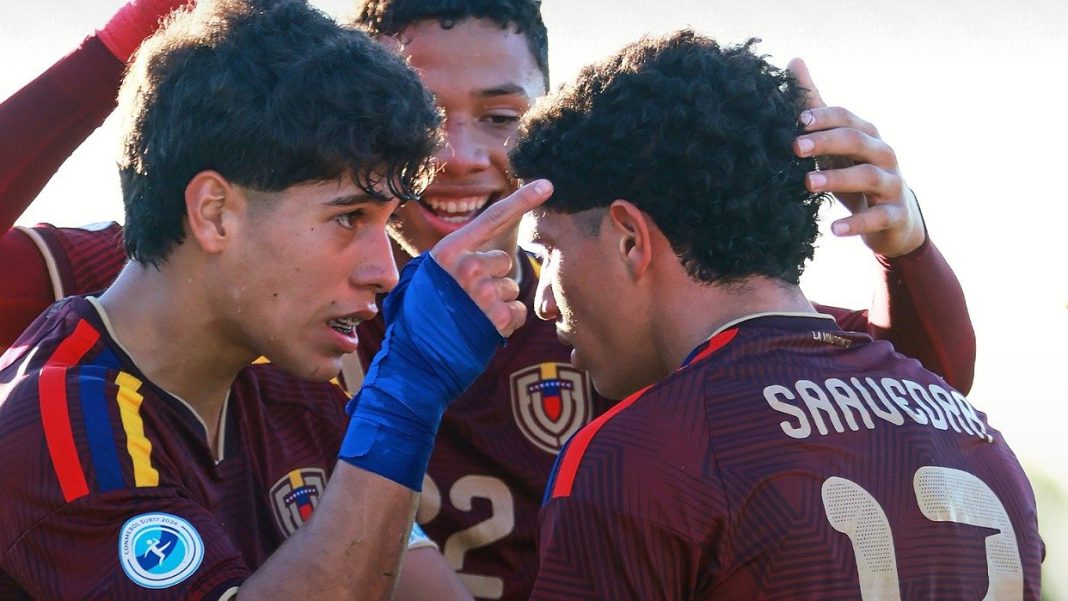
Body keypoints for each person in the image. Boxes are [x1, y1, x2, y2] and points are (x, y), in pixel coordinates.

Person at [0, 1, 978, 599]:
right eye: (427, 122)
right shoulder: (235, 305)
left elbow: (892, 402)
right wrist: (126, 36)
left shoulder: (629, 302)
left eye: (504, 116)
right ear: (214, 212)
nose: (460, 158)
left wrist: (906, 246)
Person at [0, 0, 550, 598]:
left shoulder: (287, 381)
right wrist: (406, 398)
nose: (386, 272)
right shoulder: (55, 425)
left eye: (386, 220)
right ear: (215, 213)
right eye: (349, 218)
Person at [509, 30, 1043, 599]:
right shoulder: (977, 438)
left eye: (549, 250)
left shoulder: (639, 458)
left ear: (629, 239)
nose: (544, 301)